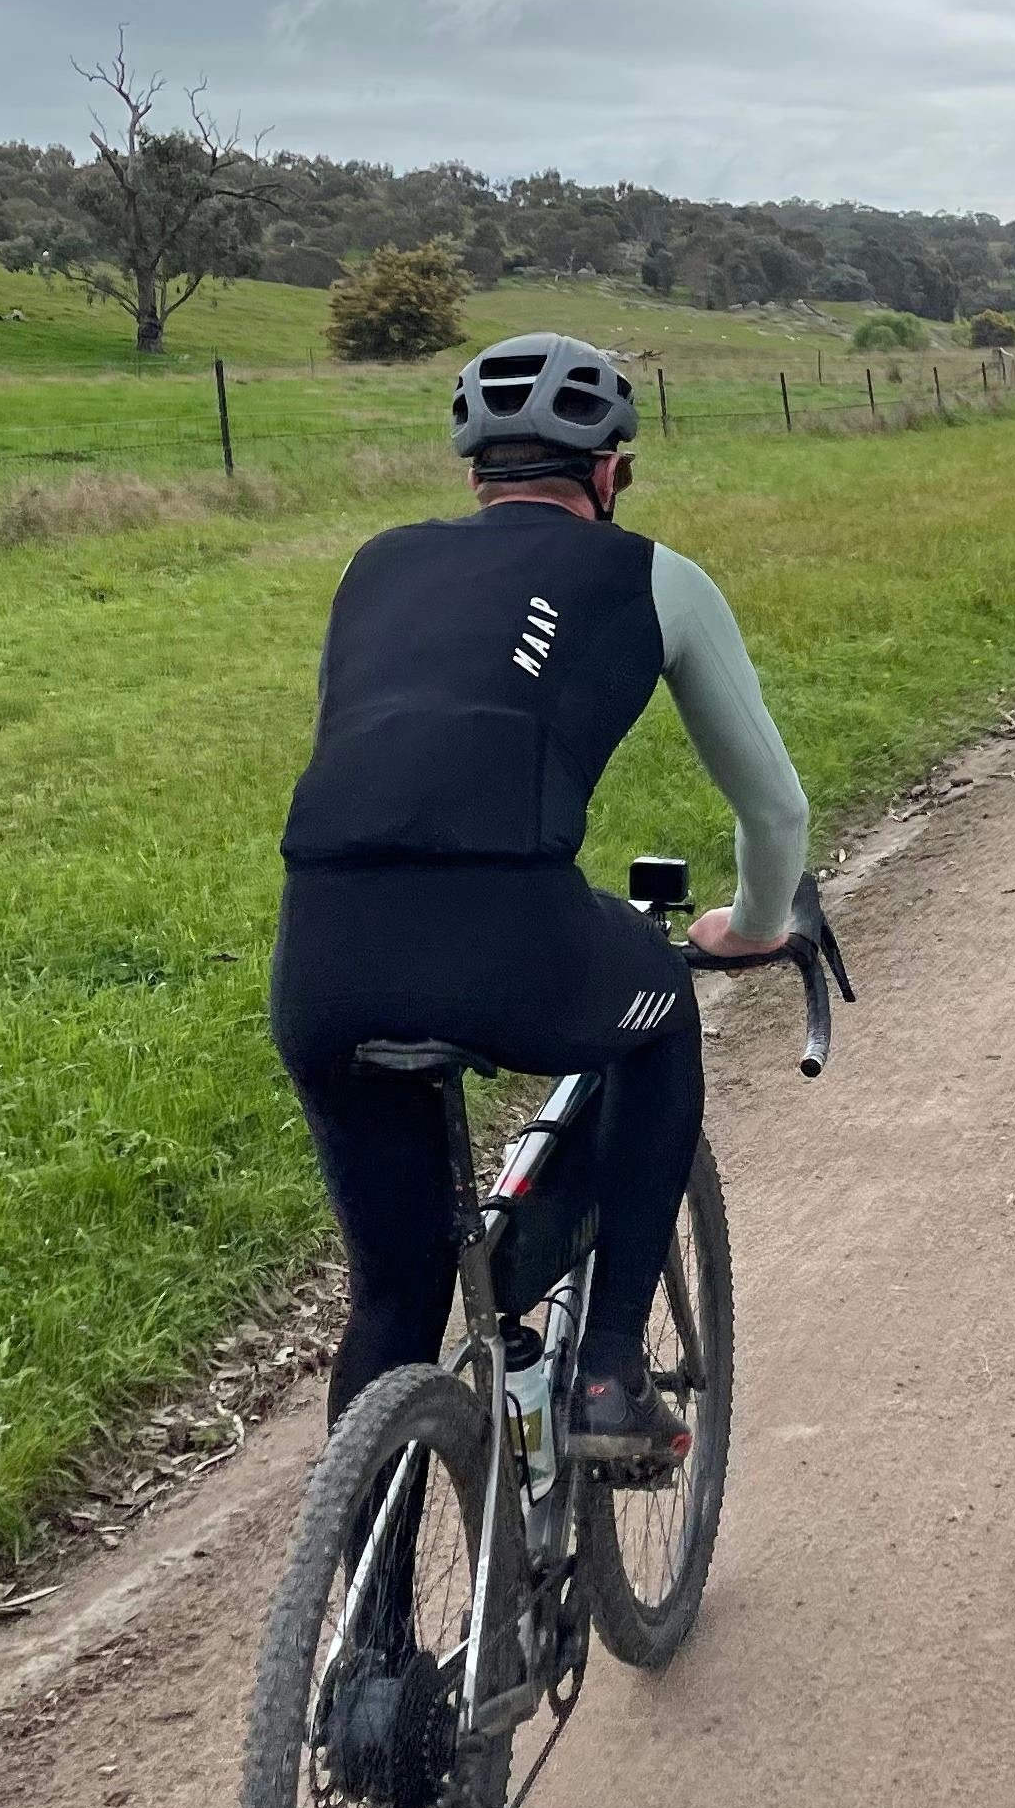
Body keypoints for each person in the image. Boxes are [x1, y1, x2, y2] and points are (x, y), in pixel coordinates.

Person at [270, 331, 808, 1466]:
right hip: (506, 930)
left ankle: (365, 1637)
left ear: (473, 470)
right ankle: (609, 1367)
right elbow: (775, 816)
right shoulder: (655, 576)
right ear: (611, 471)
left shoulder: (376, 563)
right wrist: (757, 924)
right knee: (656, 1005)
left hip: (324, 951)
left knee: (394, 1296)